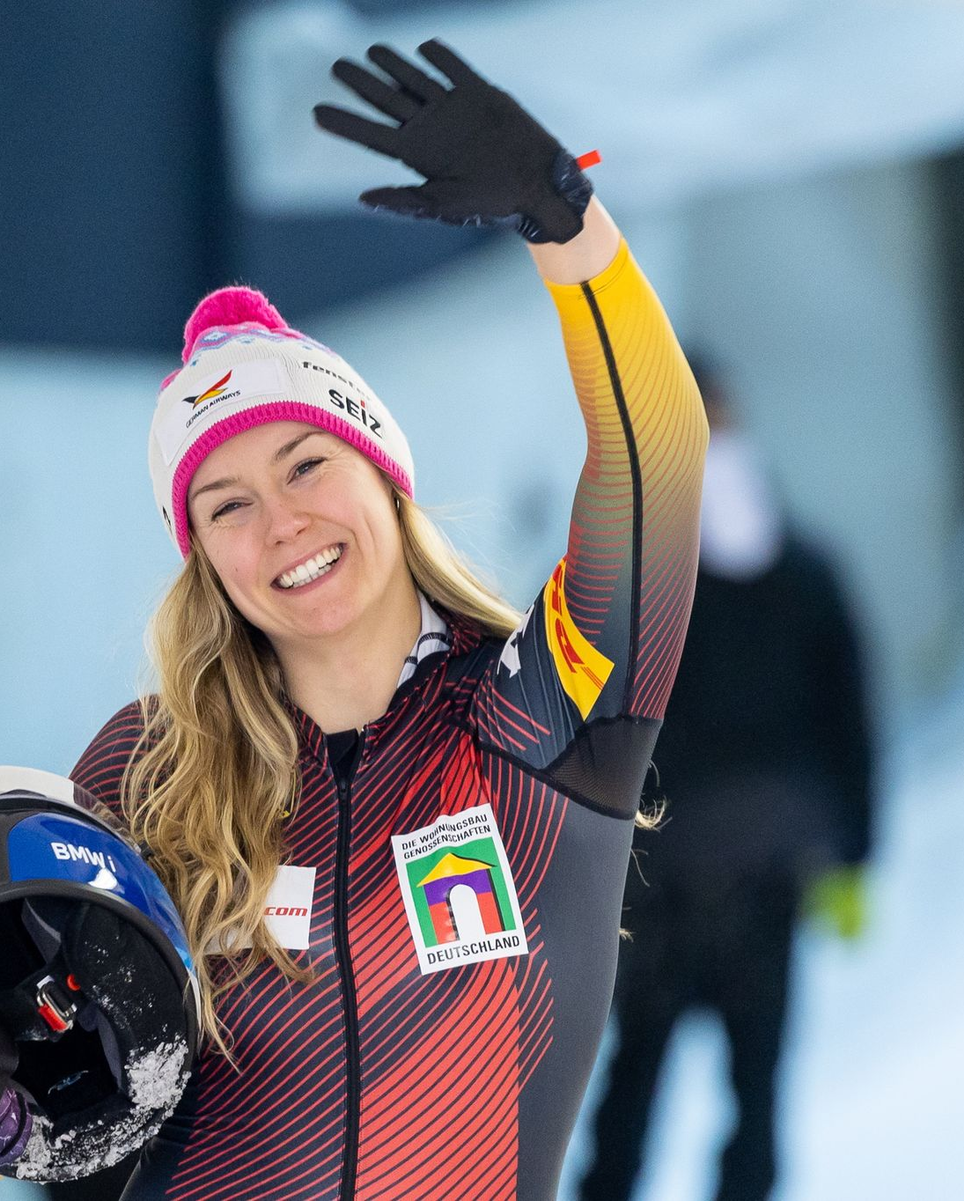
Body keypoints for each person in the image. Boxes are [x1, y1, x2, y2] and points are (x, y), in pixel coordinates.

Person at [64, 39, 707, 1201]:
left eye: (309, 464)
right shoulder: (142, 774)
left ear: (383, 476)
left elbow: (656, 467)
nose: (283, 524)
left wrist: (566, 223)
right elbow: (74, 1121)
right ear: (203, 557)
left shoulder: (539, 714)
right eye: (229, 505)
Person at [577, 360, 874, 1201]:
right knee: (745, 1092)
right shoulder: (800, 565)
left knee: (635, 1093)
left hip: (669, 875)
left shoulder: (634, 570)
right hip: (761, 865)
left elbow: (574, 714)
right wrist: (854, 848)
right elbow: (848, 713)